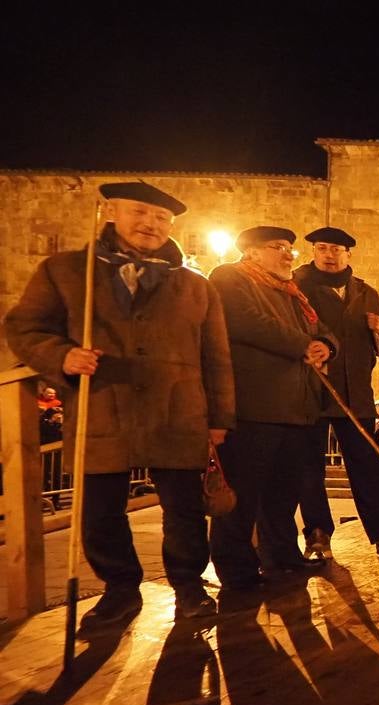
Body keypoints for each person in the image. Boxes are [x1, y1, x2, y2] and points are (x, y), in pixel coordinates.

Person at [6, 181, 235, 626]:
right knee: (99, 510)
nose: (150, 223)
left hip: (178, 411)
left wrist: (220, 417)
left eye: (162, 218)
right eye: (139, 212)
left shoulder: (195, 286)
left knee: (184, 510)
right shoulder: (67, 271)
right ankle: (120, 587)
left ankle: (188, 584)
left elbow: (217, 356)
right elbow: (25, 328)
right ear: (111, 211)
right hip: (102, 407)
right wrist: (62, 356)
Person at [209, 225, 336, 591]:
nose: (287, 255)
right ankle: (236, 570)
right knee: (243, 494)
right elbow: (247, 321)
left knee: (283, 493)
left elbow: (322, 329)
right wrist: (304, 345)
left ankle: (281, 556)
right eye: (277, 247)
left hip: (297, 409)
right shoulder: (230, 278)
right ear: (250, 252)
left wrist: (326, 345)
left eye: (289, 249)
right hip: (254, 407)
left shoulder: (292, 292)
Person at [292, 226, 379, 558]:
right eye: (322, 248)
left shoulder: (365, 292)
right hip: (311, 392)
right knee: (309, 467)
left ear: (348, 254)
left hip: (357, 395)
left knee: (367, 466)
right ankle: (318, 533)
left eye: (336, 249)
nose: (329, 254)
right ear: (313, 252)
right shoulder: (296, 287)